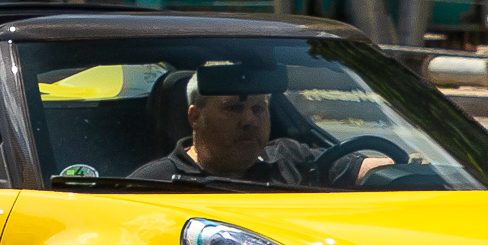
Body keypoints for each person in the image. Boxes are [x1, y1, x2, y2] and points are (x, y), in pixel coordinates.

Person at [129, 62, 392, 185]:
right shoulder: (156, 183)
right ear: (195, 118)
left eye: (258, 108)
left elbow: (372, 169)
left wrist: (419, 170)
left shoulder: (291, 159)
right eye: (234, 108)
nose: (249, 120)